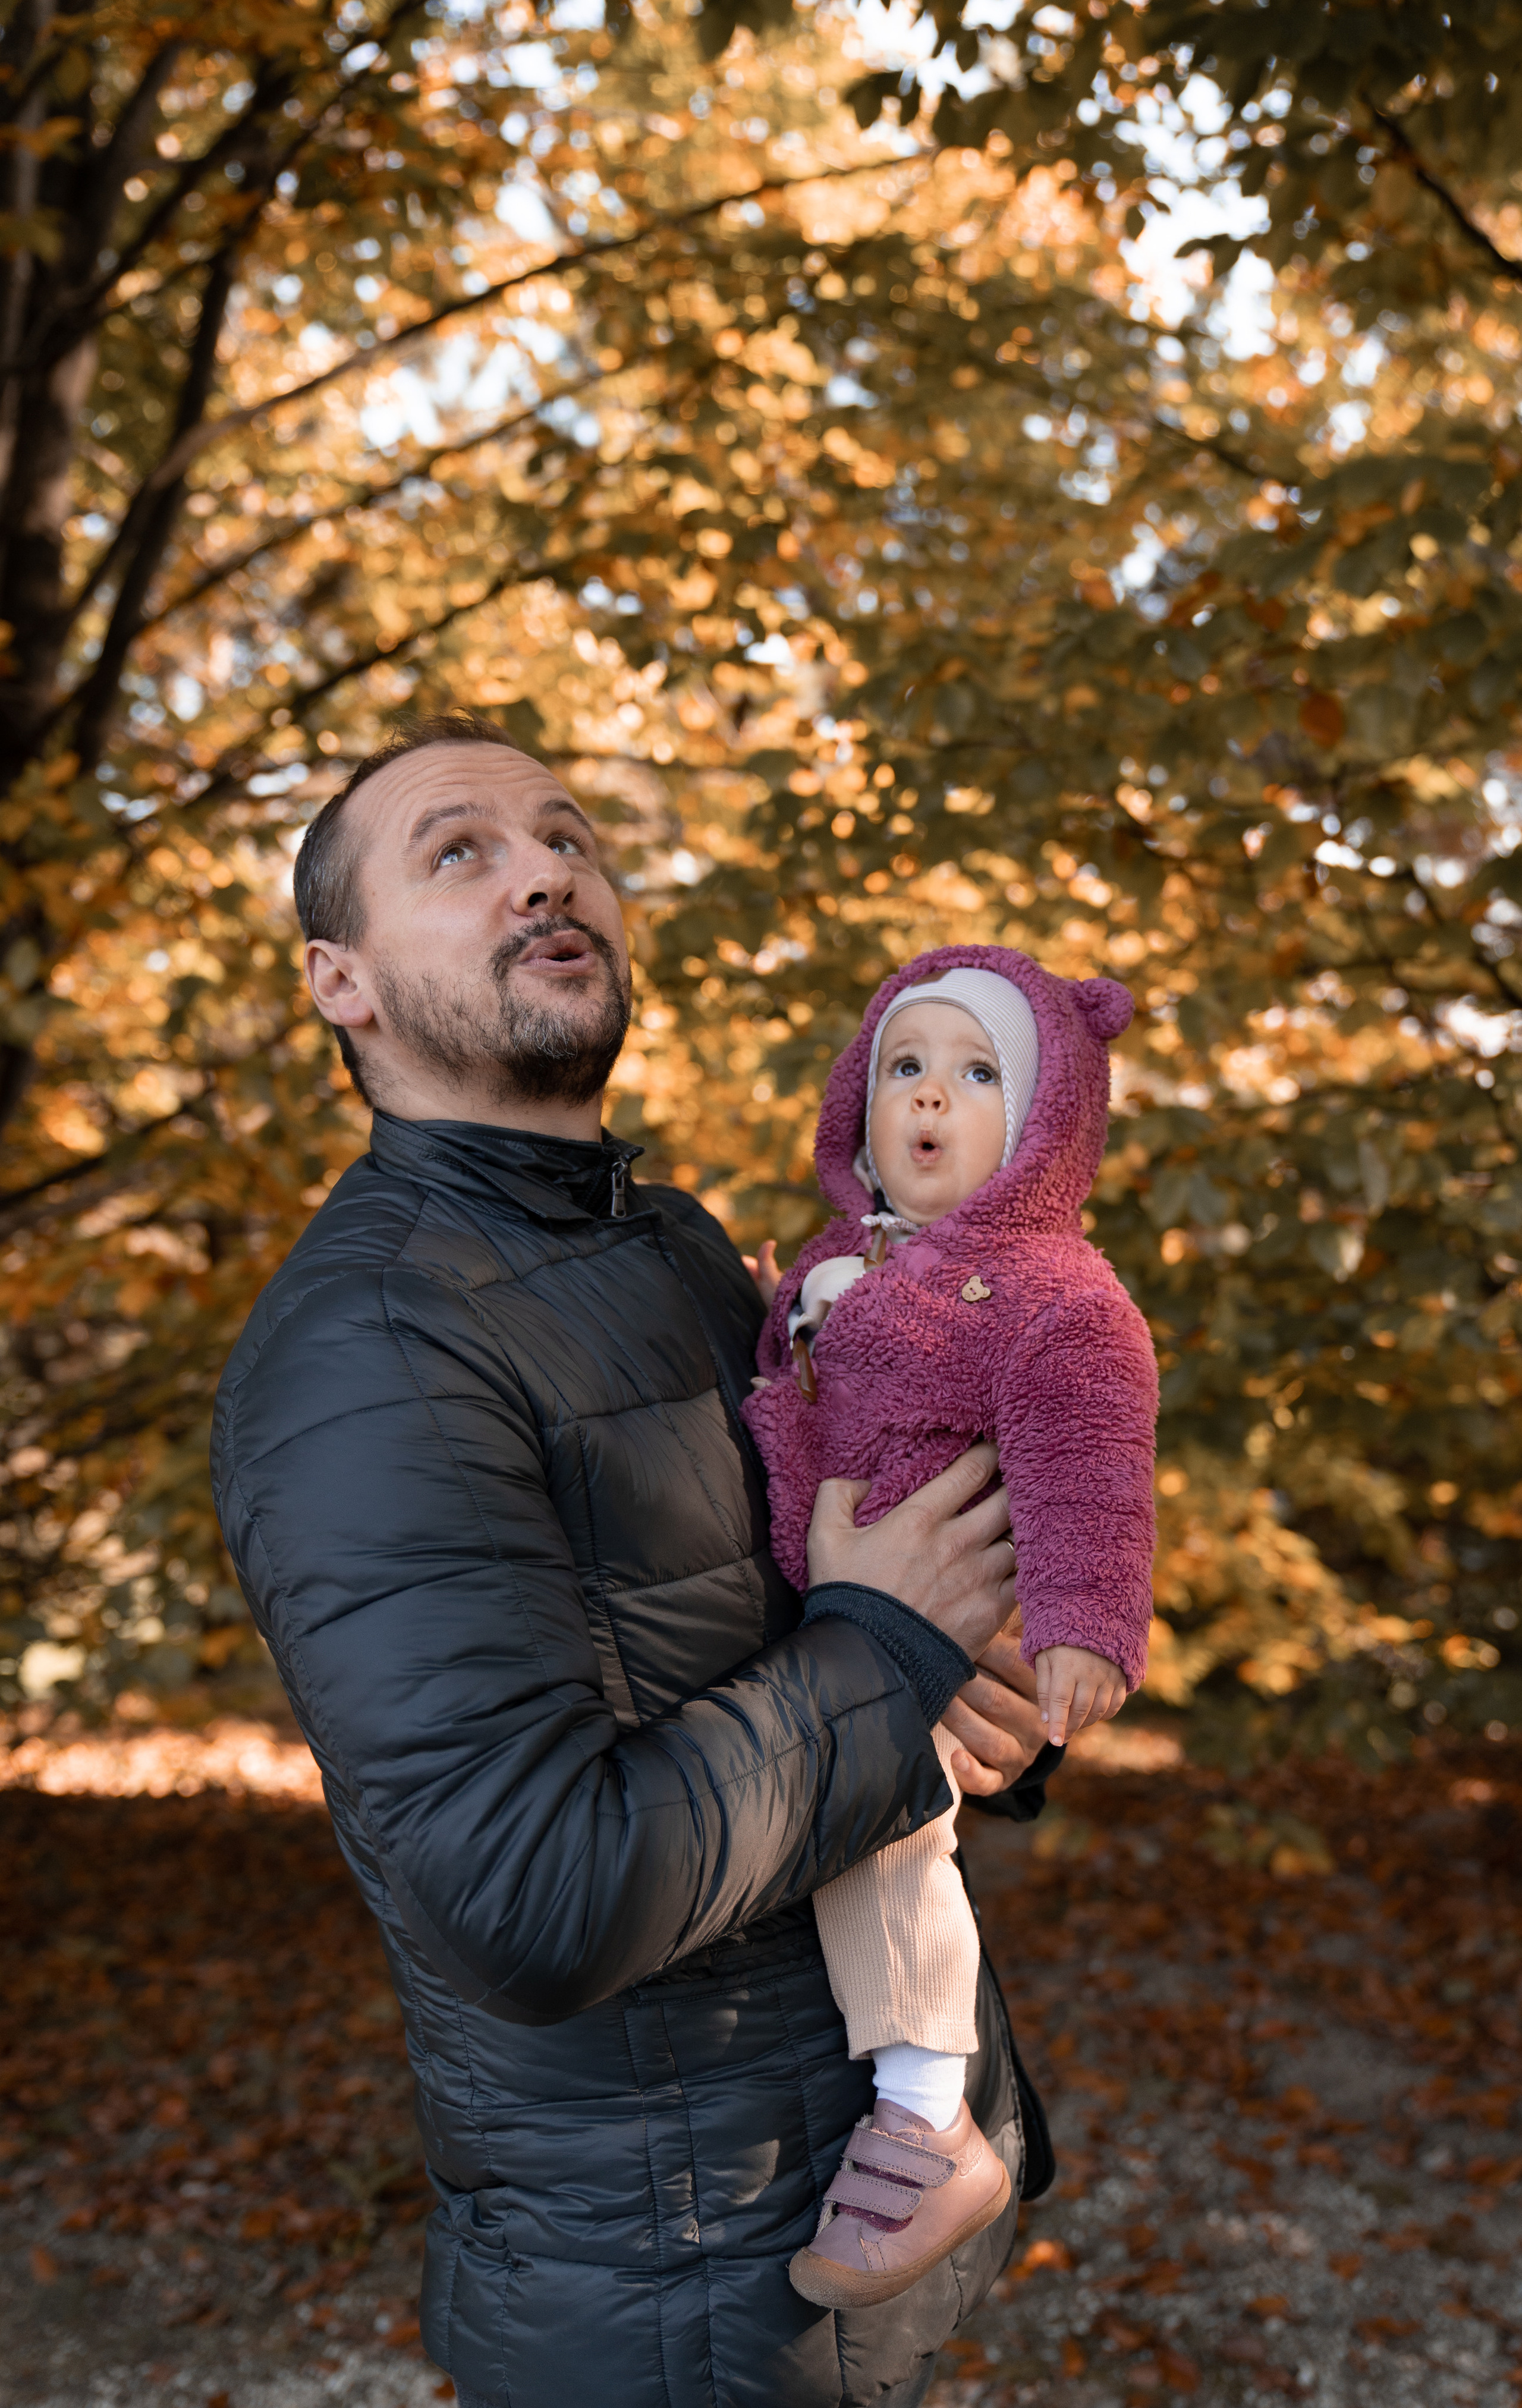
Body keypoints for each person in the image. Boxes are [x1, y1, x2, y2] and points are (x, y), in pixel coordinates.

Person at [210, 714, 1060, 2408]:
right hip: (668, 2295)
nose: (545, 869)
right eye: (459, 852)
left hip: (849, 2213)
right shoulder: (370, 1346)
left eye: (570, 838)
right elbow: (534, 1890)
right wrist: (892, 1657)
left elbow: (825, 1626)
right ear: (341, 983)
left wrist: (984, 1709)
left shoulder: (667, 1245)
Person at [744, 950, 1158, 2309]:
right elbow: (803, 1385)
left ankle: (928, 2115)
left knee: (889, 1845)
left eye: (978, 1075)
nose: (929, 1095)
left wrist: (1084, 1617)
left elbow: (1084, 1451)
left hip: (921, 1639)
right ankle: (910, 2105)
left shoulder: (1052, 1294)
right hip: (829, 1626)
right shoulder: (836, 1263)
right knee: (856, 1847)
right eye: (903, 1066)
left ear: (1043, 1123)